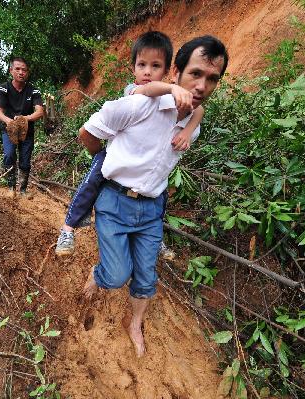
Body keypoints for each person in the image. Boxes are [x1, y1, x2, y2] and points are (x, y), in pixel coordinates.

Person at [80, 35, 228, 357]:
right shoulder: (138, 103)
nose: (202, 85)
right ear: (176, 72)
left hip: (151, 210)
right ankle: (100, 273)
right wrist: (104, 161)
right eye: (196, 74)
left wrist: (188, 128)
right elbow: (87, 134)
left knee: (146, 277)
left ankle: (134, 323)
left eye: (212, 78)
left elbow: (196, 115)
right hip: (115, 201)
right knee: (117, 274)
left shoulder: (194, 121)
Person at [55, 31, 203, 259]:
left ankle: (156, 239)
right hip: (113, 154)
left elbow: (199, 109)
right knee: (90, 185)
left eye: (155, 66)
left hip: (144, 161)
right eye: (141, 64)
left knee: (158, 192)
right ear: (133, 68)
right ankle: (68, 229)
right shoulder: (133, 92)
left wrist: (188, 130)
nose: (147, 71)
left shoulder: (168, 99)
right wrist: (99, 154)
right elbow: (149, 90)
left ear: (166, 71)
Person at [0, 57, 44, 194]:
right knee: (9, 155)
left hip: (27, 129)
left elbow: (39, 111)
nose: (21, 72)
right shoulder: (4, 88)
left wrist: (24, 118)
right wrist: (9, 121)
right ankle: (11, 187)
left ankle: (22, 190)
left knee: (25, 160)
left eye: (24, 70)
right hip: (9, 129)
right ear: (11, 71)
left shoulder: (33, 90)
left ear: (27, 72)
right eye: (17, 69)